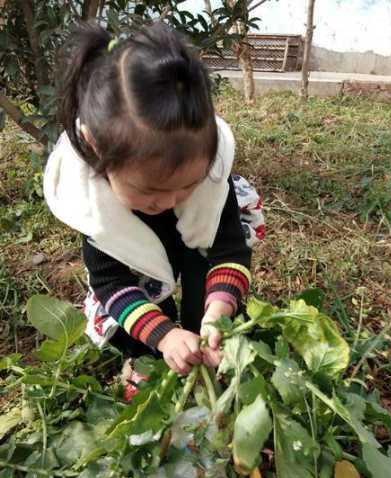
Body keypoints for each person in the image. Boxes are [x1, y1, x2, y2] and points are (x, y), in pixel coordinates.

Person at [44, 20, 265, 400]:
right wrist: (163, 335)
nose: (169, 201)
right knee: (139, 306)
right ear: (96, 148)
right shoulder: (96, 209)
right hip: (135, 267)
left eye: (187, 185)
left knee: (208, 276)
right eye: (150, 191)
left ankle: (207, 341)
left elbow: (229, 250)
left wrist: (220, 309)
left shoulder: (209, 180)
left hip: (197, 239)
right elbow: (111, 283)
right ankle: (146, 359)